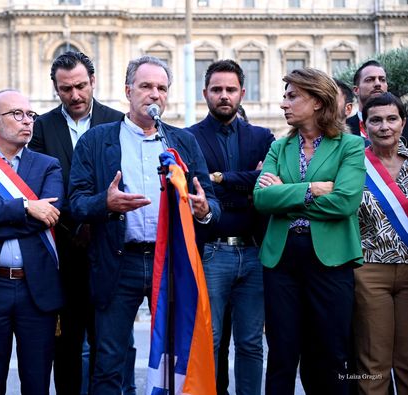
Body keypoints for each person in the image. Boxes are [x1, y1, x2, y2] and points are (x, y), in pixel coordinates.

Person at [69, 55, 220, 394]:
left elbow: (211, 203)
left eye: (162, 88)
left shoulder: (181, 142)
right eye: (146, 86)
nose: (155, 95)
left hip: (170, 262)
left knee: (173, 359)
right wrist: (104, 204)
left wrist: (202, 208)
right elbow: (75, 203)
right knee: (109, 359)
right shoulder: (96, 140)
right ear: (128, 91)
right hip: (117, 261)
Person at [254, 68, 366, 395]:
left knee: (331, 355)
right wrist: (311, 190)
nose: (283, 104)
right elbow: (261, 199)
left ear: (317, 101)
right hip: (282, 260)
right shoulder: (278, 147)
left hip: (331, 261)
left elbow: (345, 203)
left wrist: (286, 195)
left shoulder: (350, 145)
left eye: (292, 96)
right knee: (282, 354)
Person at [28, 50, 125, 394]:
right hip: (63, 246)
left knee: (110, 341)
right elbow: (41, 184)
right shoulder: (41, 127)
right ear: (55, 88)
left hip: (109, 245)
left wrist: (93, 216)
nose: (75, 95)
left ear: (93, 82)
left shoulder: (118, 122)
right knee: (66, 341)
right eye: (66, 89)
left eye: (81, 86)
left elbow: (122, 181)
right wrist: (75, 222)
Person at [186, 59, 274, 395]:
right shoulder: (189, 138)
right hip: (211, 252)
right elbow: (197, 189)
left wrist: (220, 179)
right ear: (205, 92)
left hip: (254, 252)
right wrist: (247, 186)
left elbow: (264, 184)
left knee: (251, 344)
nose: (224, 96)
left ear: (242, 92)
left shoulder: (263, 137)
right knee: (210, 340)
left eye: (231, 89)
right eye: (217, 89)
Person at [0, 89, 64, 395]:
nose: (28, 122)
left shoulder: (48, 165)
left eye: (30, 115)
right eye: (17, 114)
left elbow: (49, 215)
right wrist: (25, 208)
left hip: (36, 289)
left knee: (37, 382)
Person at [355, 92, 408, 395]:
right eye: (376, 120)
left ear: (403, 123)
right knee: (374, 363)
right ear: (365, 127)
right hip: (370, 272)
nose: (384, 126)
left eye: (392, 119)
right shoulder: (354, 167)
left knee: (407, 361)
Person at [347, 60, 408, 141]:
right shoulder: (343, 128)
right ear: (356, 90)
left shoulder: (405, 126)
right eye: (369, 79)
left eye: (382, 79)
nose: (378, 84)